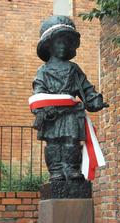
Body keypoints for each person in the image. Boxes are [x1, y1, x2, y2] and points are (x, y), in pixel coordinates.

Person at [29, 16, 107, 182]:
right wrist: (41, 109)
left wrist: (95, 100)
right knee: (53, 144)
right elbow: (38, 93)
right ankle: (56, 172)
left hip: (71, 114)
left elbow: (86, 88)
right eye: (59, 42)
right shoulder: (43, 71)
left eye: (66, 42)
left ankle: (71, 169)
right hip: (52, 114)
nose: (63, 46)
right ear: (49, 46)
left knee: (72, 142)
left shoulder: (74, 69)